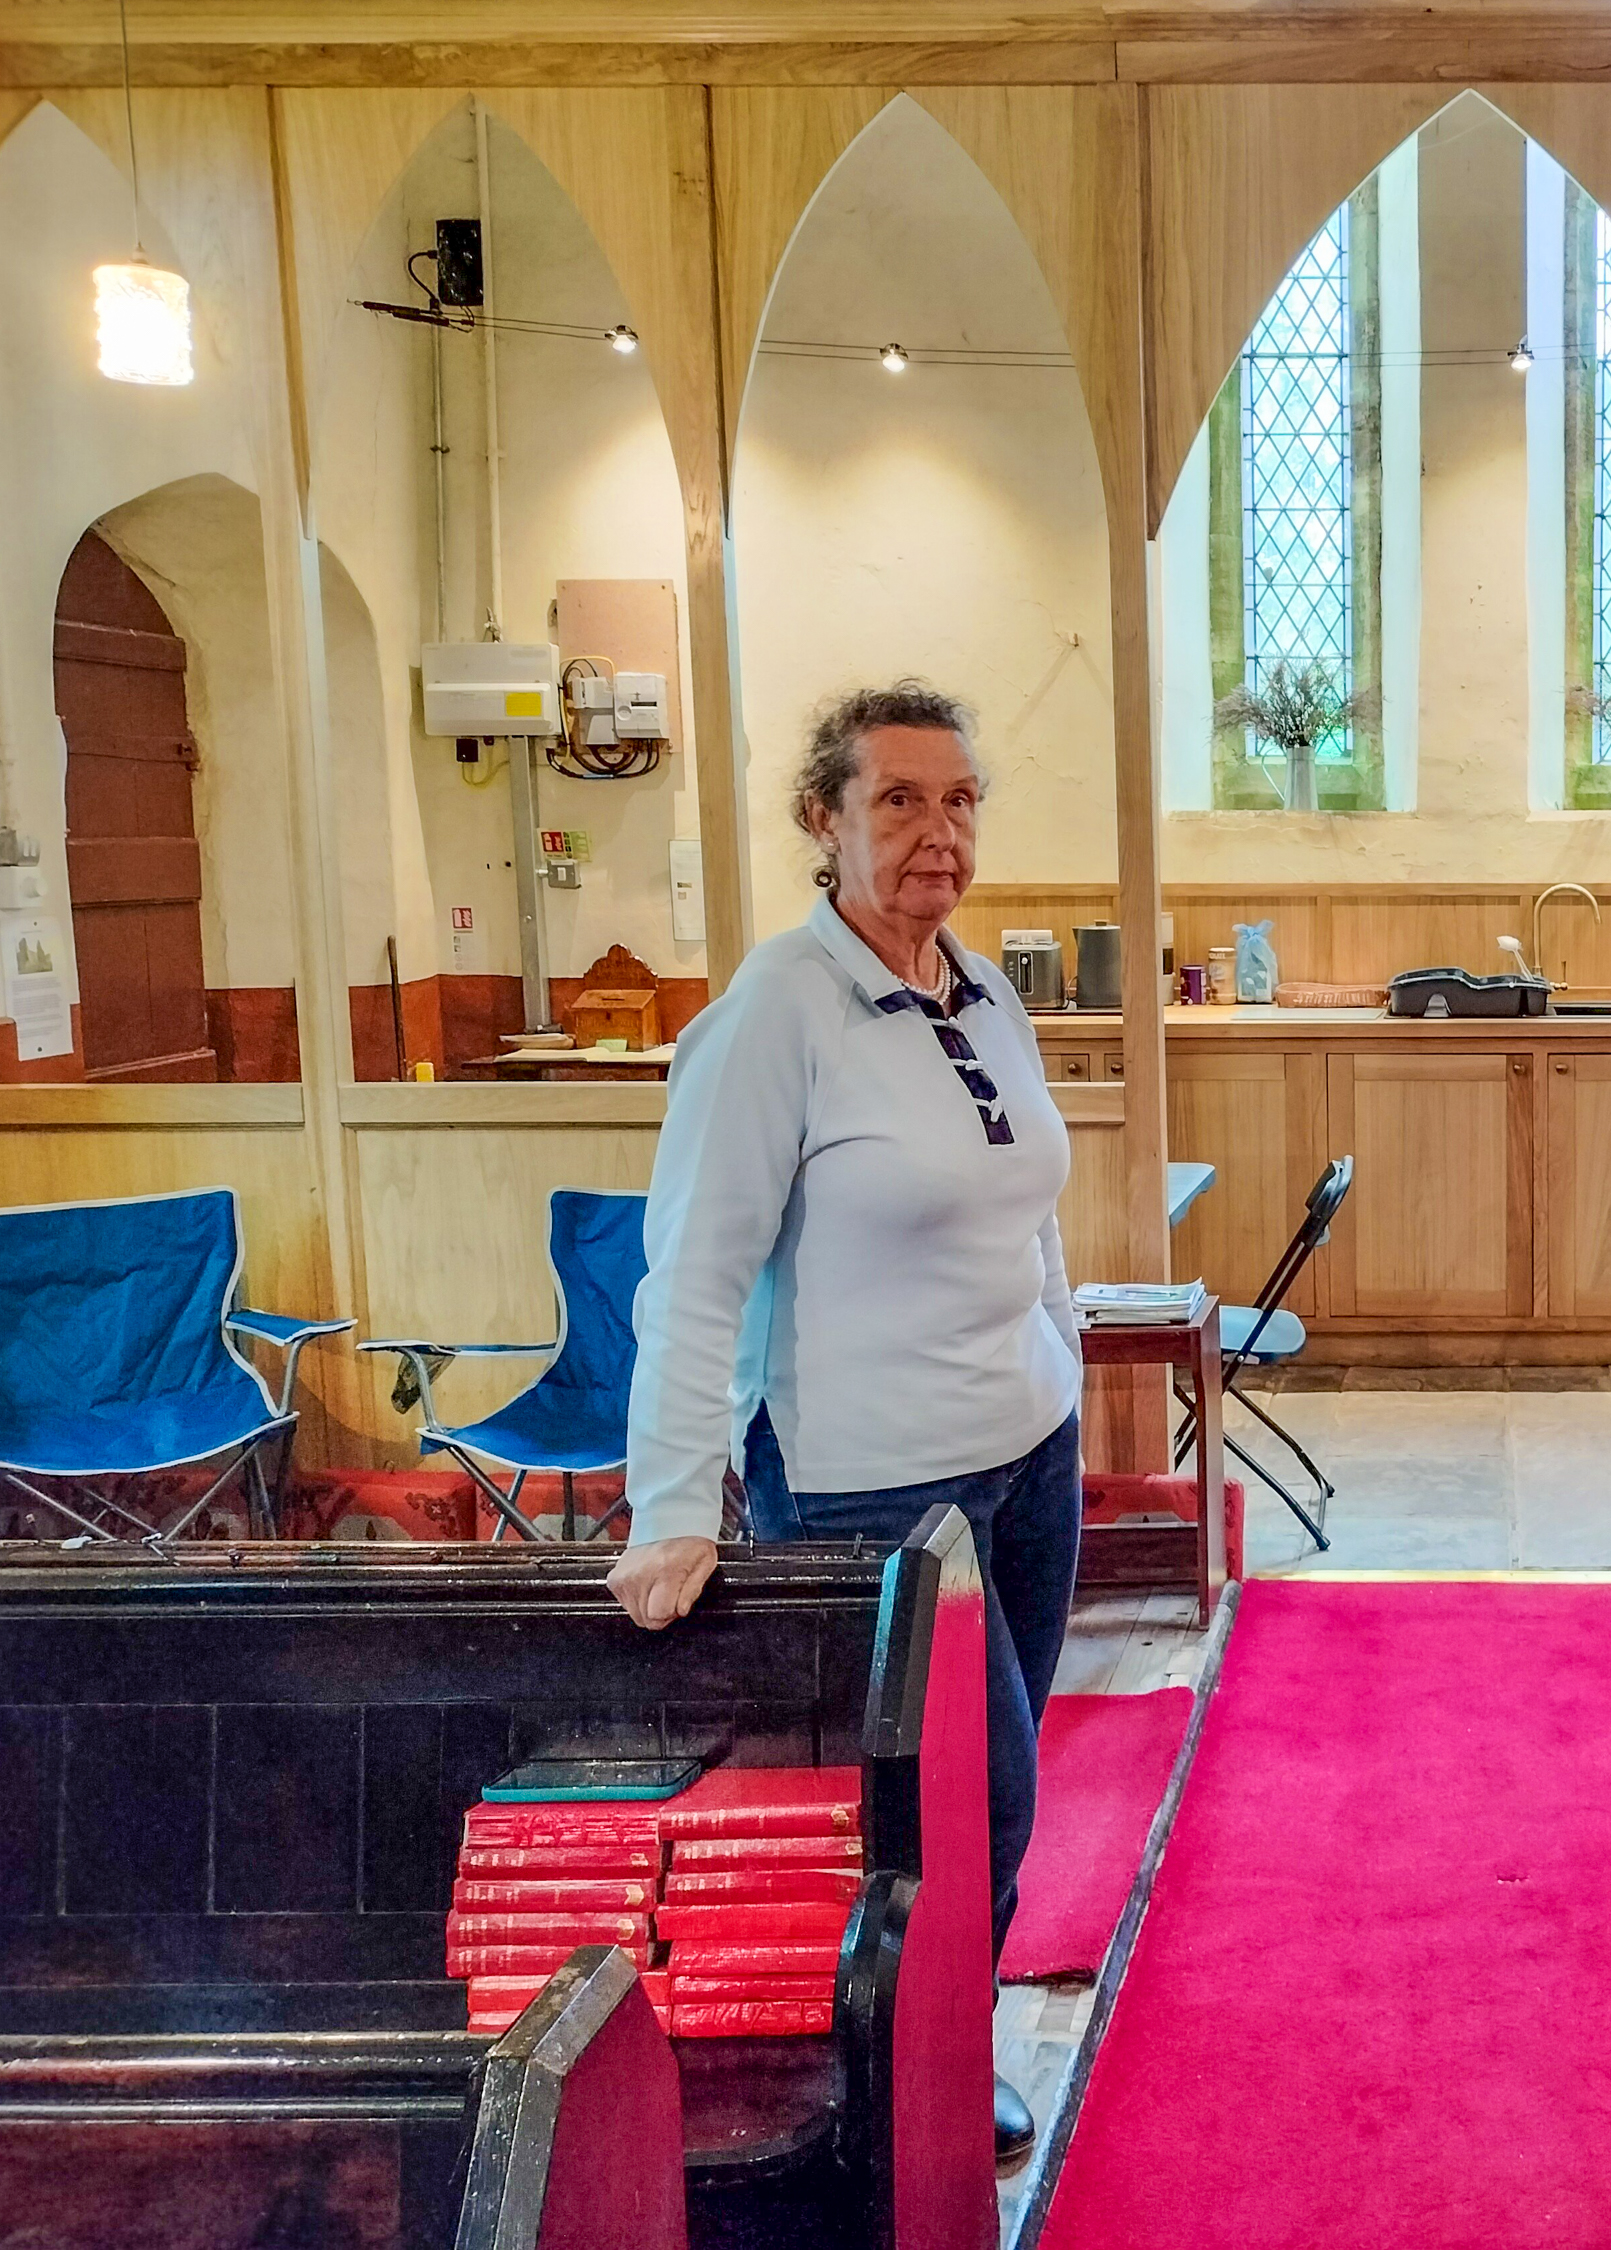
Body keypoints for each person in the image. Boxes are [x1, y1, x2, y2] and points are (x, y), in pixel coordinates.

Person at [607, 680, 1081, 2164]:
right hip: (873, 1482)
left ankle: (950, 2031)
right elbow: (693, 1271)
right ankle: (906, 2075)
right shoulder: (775, 1014)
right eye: (900, 800)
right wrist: (672, 1501)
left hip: (1029, 1452)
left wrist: (1061, 1353)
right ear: (824, 819)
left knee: (998, 1784)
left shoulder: (980, 985)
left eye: (960, 801)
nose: (939, 832)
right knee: (958, 1806)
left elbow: (1031, 1207)